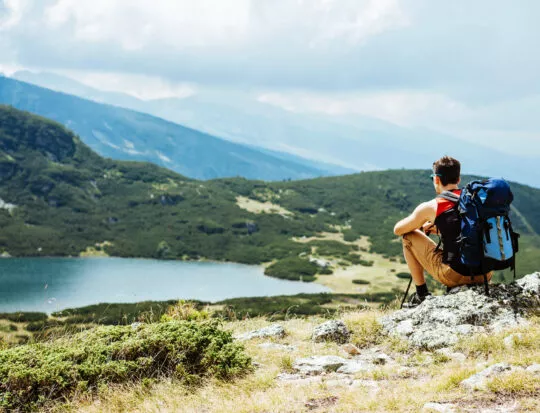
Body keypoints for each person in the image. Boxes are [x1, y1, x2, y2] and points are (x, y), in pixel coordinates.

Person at [393, 156, 492, 307]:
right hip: (485, 273)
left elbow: (398, 229)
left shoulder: (433, 206)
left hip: (455, 275)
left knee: (408, 237)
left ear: (436, 180)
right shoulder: (474, 200)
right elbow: (471, 231)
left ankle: (421, 294)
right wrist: (441, 229)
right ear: (458, 179)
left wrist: (420, 221)